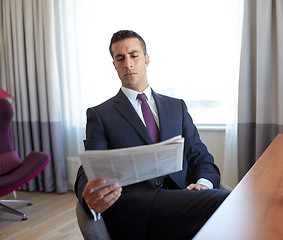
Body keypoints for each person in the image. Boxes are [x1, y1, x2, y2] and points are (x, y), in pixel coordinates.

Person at [75, 30, 228, 240]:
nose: (128, 63)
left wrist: (203, 184)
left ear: (146, 59)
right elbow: (89, 167)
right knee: (224, 202)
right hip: (135, 207)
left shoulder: (176, 107)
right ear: (114, 65)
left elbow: (200, 156)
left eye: (134, 55)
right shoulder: (101, 114)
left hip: (181, 199)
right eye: (120, 58)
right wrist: (87, 197)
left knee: (225, 205)